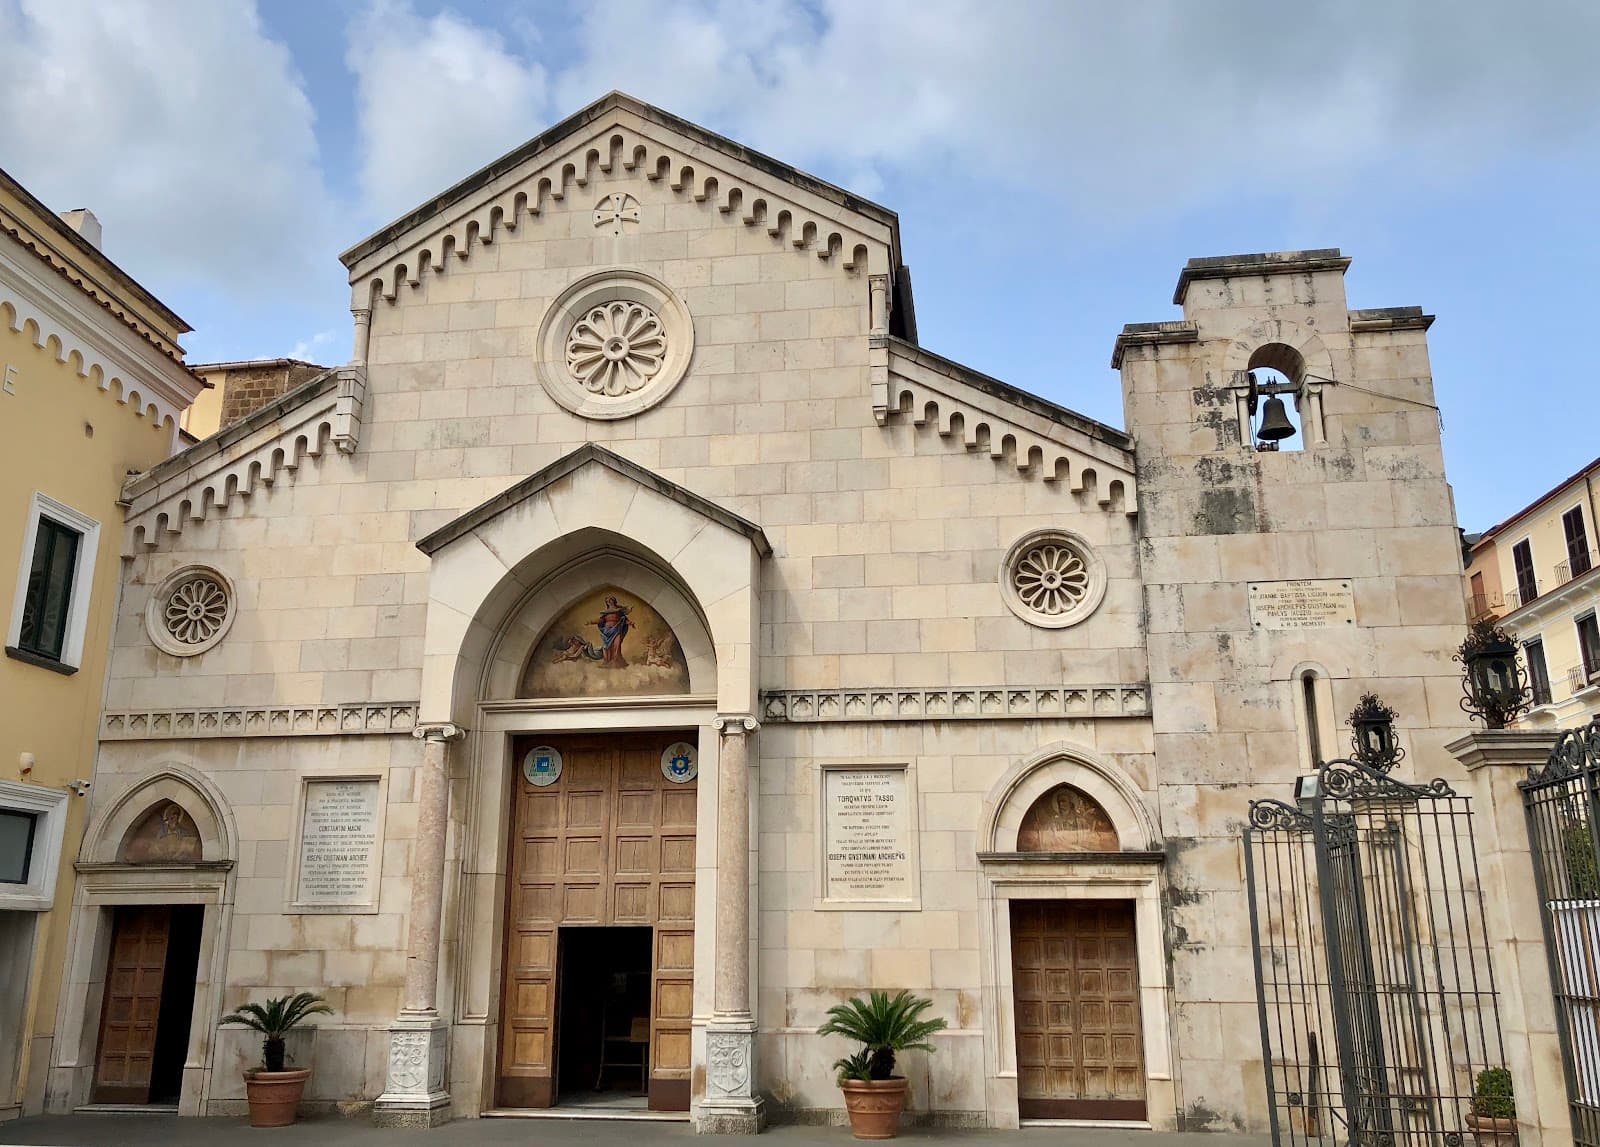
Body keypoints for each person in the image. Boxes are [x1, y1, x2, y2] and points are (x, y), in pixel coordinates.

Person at [591, 595, 633, 667]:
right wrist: (591, 622)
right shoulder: (605, 613)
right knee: (606, 646)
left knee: (617, 644)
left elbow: (624, 620)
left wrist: (630, 623)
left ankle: (616, 660)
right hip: (607, 632)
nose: (609, 602)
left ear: (614, 601)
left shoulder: (619, 611)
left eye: (611, 600)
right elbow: (601, 620)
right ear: (607, 603)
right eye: (608, 601)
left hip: (617, 630)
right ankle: (607, 661)